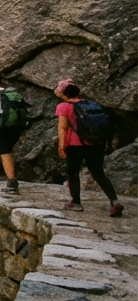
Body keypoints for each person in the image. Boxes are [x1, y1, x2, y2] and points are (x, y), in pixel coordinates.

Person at [54, 80, 123, 216]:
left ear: (64, 93)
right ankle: (114, 201)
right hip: (96, 143)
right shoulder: (91, 104)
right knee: (98, 172)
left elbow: (62, 127)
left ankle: (76, 202)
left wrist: (62, 146)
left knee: (73, 172)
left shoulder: (64, 106)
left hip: (75, 145)